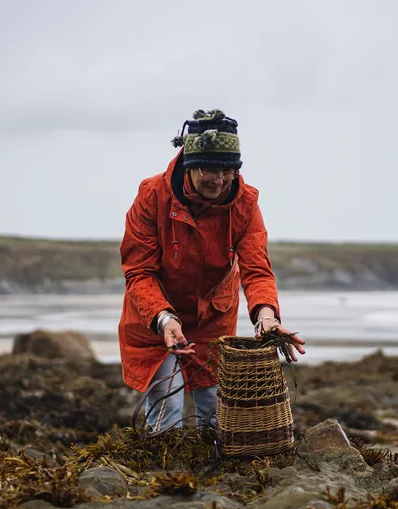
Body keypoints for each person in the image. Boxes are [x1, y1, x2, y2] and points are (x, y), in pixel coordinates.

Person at [118, 108, 305, 432]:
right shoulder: (152, 196)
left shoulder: (245, 204)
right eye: (209, 169)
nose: (219, 180)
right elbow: (139, 270)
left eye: (228, 170)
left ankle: (219, 473)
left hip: (213, 316)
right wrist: (164, 317)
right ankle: (164, 469)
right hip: (154, 314)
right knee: (165, 402)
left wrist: (267, 316)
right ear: (190, 164)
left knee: (216, 408)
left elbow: (257, 269)